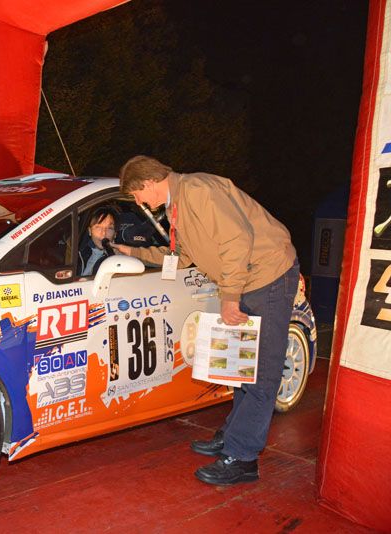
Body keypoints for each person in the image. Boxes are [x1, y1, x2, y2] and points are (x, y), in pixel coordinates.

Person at [117, 155, 299, 486]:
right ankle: (233, 435)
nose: (139, 203)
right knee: (241, 366)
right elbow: (182, 256)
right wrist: (135, 253)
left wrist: (230, 297)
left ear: (148, 183)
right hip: (248, 279)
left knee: (262, 371)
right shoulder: (178, 204)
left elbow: (237, 240)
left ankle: (243, 458)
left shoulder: (197, 190)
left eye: (136, 195)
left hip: (268, 276)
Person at [78, 206, 128, 276]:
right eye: (98, 227)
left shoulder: (119, 259)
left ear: (115, 234)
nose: (104, 233)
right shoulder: (81, 252)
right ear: (89, 231)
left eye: (109, 228)